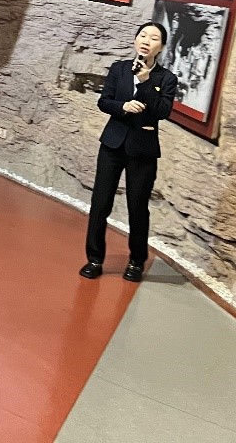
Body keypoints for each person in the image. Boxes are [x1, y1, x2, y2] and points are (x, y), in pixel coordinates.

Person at [80, 21, 179, 283]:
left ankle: (136, 261)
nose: (146, 41)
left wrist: (145, 82)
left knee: (137, 207)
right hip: (112, 144)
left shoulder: (166, 78)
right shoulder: (119, 69)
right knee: (100, 203)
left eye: (154, 38)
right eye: (142, 35)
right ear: (136, 39)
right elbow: (104, 101)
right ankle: (94, 258)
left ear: (161, 47)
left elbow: (162, 112)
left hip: (143, 149)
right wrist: (123, 106)